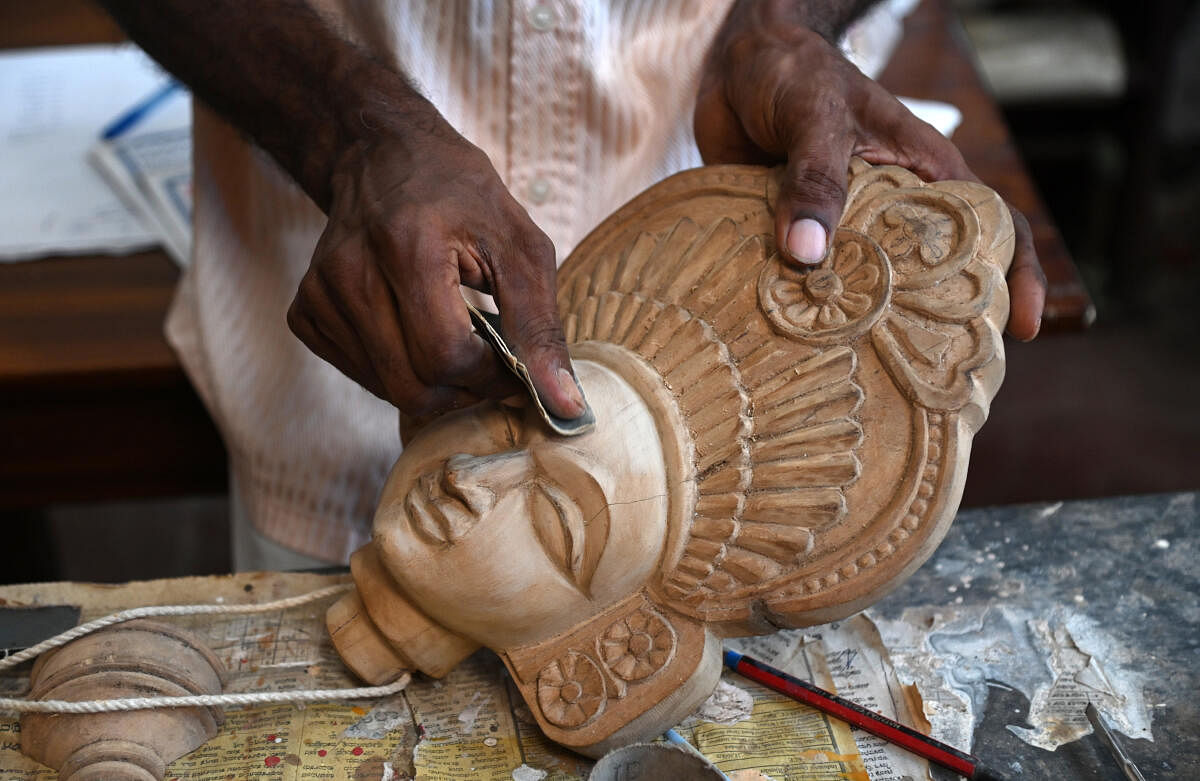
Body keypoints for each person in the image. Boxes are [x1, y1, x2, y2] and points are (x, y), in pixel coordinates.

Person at [97, 0, 1046, 570]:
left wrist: (782, 21)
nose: (482, 488)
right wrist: (340, 127)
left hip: (747, 276)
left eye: (566, 518)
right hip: (332, 349)